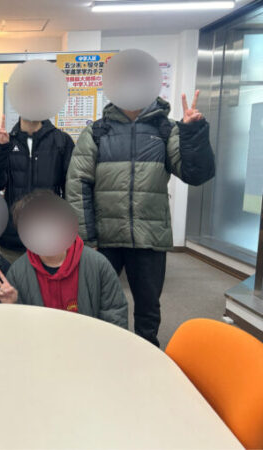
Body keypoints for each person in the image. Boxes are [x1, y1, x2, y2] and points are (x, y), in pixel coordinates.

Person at [66, 92, 215, 346]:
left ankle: (146, 355)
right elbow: (77, 186)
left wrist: (193, 132)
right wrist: (86, 238)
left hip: (149, 237)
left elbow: (197, 174)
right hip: (105, 238)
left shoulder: (166, 130)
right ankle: (98, 352)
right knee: (97, 303)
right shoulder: (97, 132)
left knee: (148, 309)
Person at [0, 190, 128, 329]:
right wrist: (12, 305)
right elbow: (18, 328)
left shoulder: (97, 264)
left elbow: (115, 313)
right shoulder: (17, 272)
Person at [0, 114, 75, 263]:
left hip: (50, 241)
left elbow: (73, 191)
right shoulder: (7, 141)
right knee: (12, 279)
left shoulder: (61, 141)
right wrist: (0, 149)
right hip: (13, 242)